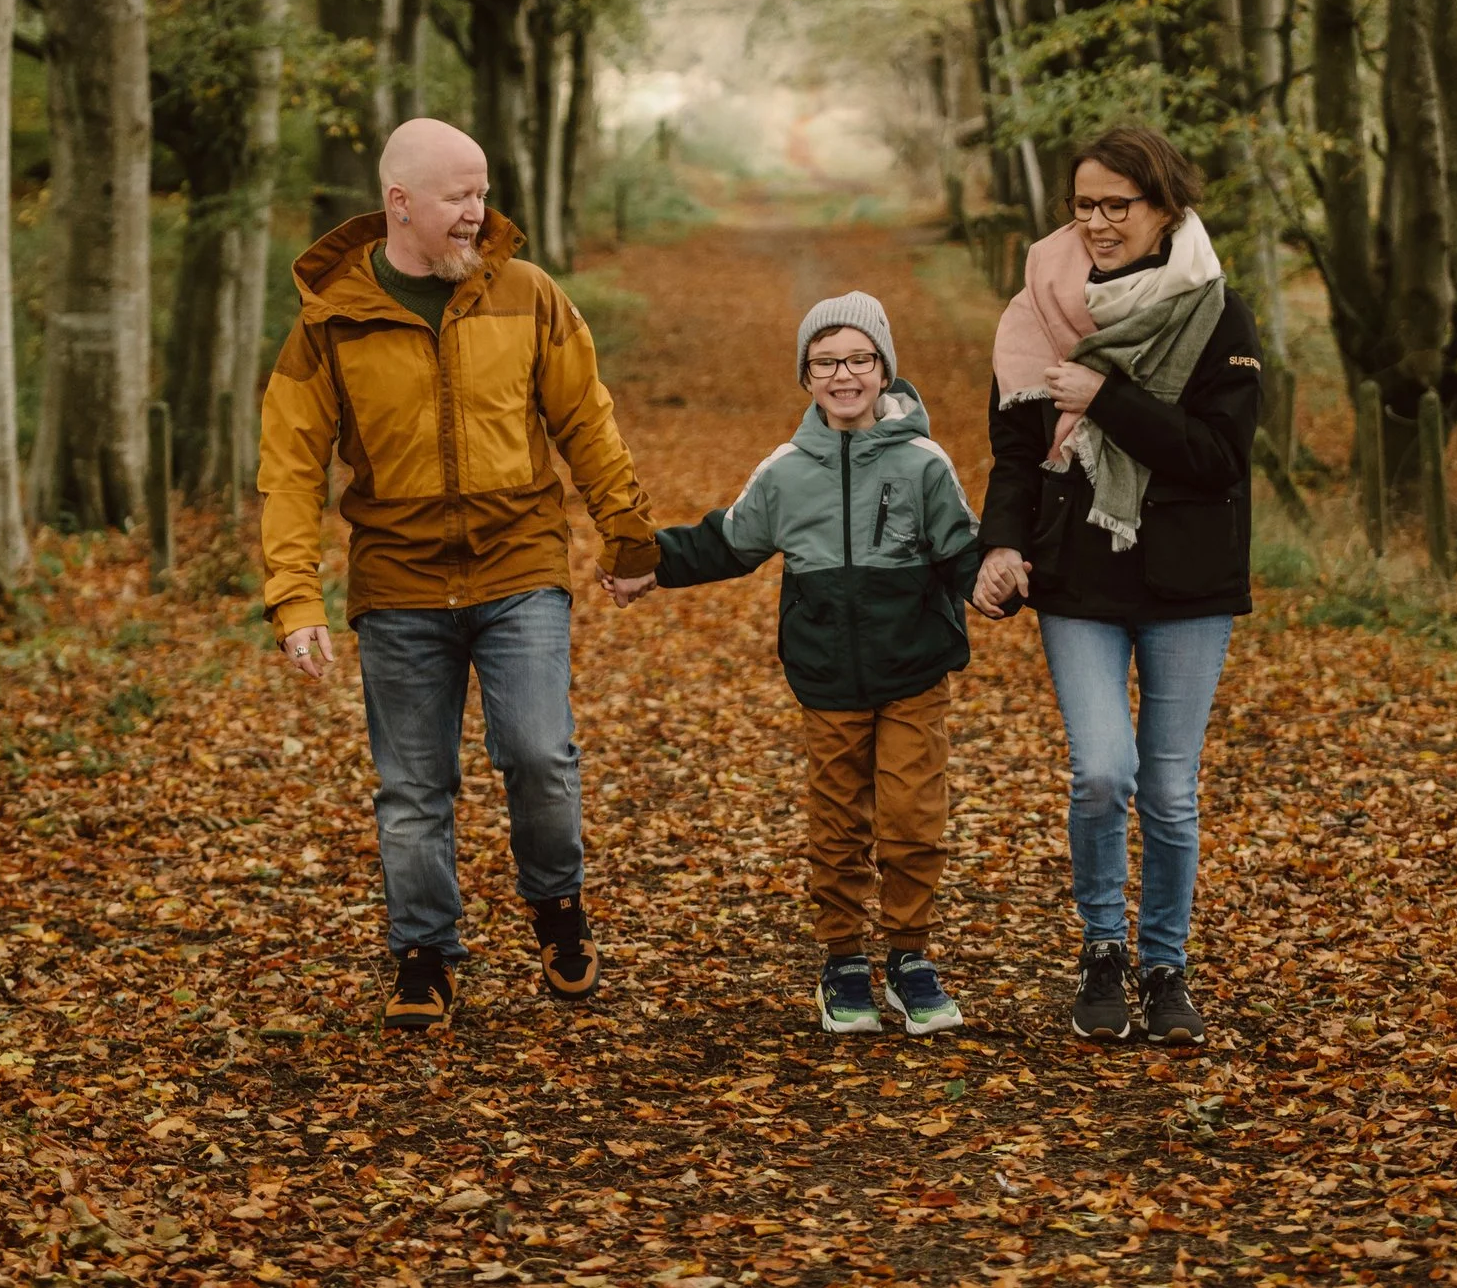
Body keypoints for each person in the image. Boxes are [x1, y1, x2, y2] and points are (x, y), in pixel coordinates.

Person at [258, 118, 662, 1031]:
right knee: (412, 788)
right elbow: (289, 464)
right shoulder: (332, 319)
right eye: (458, 196)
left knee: (538, 755)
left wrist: (627, 536)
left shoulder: (526, 294)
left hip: (519, 562)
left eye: (482, 191)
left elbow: (585, 420)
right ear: (400, 204)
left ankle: (557, 906)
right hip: (397, 579)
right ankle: (424, 952)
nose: (478, 212)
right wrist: (294, 595)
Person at [627, 294, 985, 1035]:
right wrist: (648, 564)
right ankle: (843, 959)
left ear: (884, 366)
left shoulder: (923, 462)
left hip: (914, 671)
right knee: (837, 825)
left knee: (914, 819)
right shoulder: (787, 471)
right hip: (827, 675)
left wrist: (995, 583)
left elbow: (962, 552)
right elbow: (727, 541)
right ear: (806, 375)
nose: (843, 374)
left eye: (859, 358)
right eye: (825, 361)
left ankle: (910, 956)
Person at [975, 126, 1261, 1046]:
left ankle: (1166, 964)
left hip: (1189, 579)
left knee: (1170, 790)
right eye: (1083, 204)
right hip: (1079, 574)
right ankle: (1103, 947)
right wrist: (1000, 546)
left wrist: (1106, 398)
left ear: (1165, 209)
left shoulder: (1217, 313)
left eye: (1117, 206)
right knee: (1103, 772)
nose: (1096, 222)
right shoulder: (1038, 308)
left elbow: (1218, 457)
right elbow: (1016, 449)